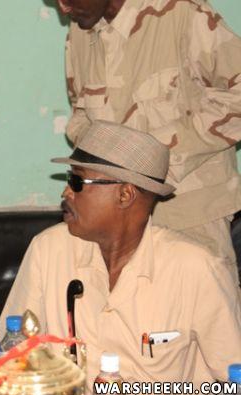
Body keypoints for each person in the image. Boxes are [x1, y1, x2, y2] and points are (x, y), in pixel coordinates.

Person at [0, 120, 241, 395]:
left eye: (77, 182)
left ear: (125, 194)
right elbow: (11, 354)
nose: (66, 192)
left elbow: (234, 380)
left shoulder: (196, 269)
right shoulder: (48, 250)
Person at [60, 0, 241, 284]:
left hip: (188, 216)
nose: (63, 8)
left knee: (199, 310)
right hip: (114, 225)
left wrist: (157, 161)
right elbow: (80, 116)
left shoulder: (182, 14)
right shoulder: (81, 33)